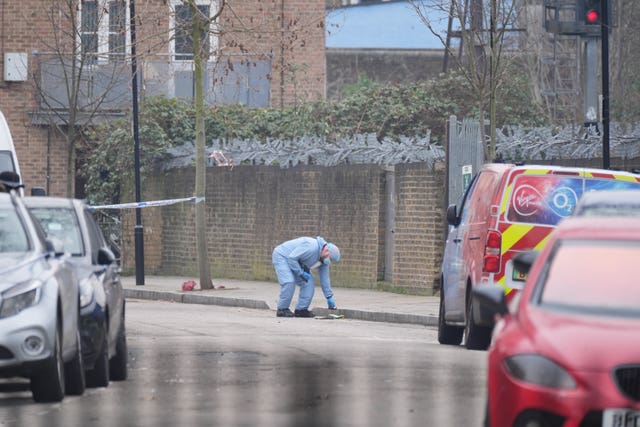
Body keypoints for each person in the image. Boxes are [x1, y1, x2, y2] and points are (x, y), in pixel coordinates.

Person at [272, 236, 341, 318]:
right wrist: (301, 273)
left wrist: (329, 297)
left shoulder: (323, 260)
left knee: (309, 282)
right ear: (326, 251)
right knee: (289, 282)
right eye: (331, 259)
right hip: (282, 256)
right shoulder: (311, 247)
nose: (330, 261)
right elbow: (292, 258)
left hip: (296, 261)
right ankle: (282, 309)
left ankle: (301, 310)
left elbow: (325, 278)